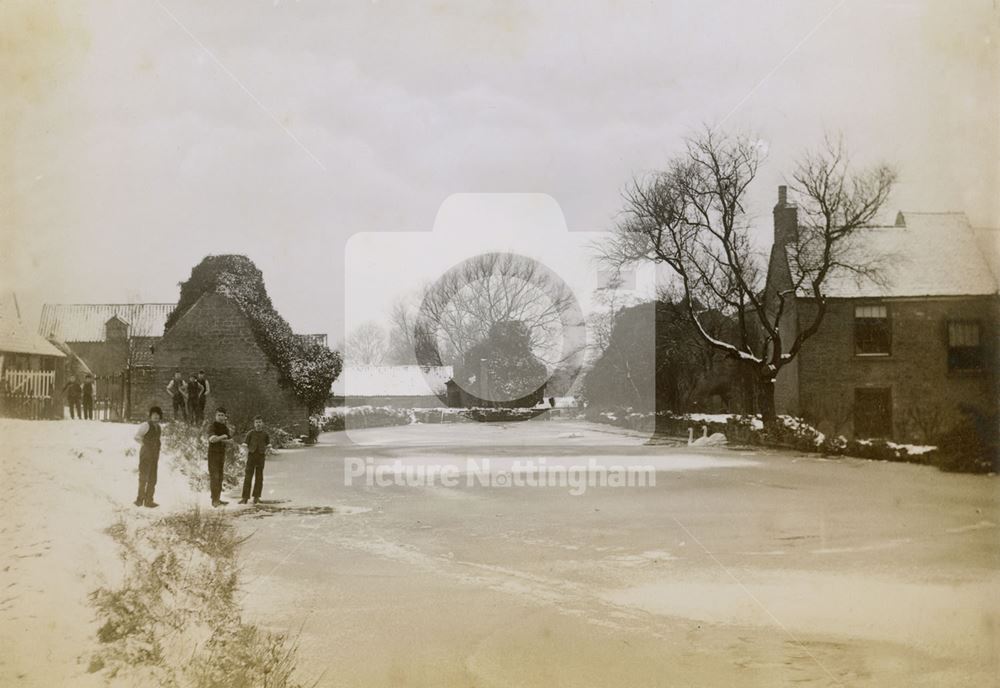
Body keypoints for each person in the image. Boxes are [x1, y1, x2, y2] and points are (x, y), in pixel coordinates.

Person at [133, 406, 163, 508]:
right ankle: (139, 500)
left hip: (155, 455)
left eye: (158, 415)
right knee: (143, 477)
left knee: (153, 478)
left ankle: (149, 501)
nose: (156, 416)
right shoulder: (145, 425)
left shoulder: (158, 427)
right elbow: (137, 437)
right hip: (146, 454)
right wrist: (145, 445)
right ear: (150, 416)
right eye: (154, 415)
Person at [240, 416, 271, 504]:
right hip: (251, 456)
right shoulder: (250, 433)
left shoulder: (265, 434)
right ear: (254, 424)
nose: (258, 424)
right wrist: (246, 452)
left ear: (262, 423)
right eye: (256, 422)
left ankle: (256, 497)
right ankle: (244, 498)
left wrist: (267, 451)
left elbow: (268, 445)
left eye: (260, 422)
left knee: (259, 477)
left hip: (261, 457)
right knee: (248, 477)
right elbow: (245, 444)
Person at [207, 407, 233, 507]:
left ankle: (218, 498)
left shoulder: (225, 427)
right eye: (219, 415)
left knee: (220, 477)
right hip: (213, 454)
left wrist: (222, 439)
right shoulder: (212, 426)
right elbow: (212, 439)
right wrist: (222, 437)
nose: (221, 417)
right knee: (215, 477)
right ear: (215, 415)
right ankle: (214, 501)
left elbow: (231, 441)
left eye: (222, 415)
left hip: (221, 454)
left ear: (225, 416)